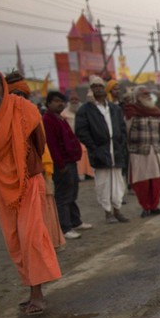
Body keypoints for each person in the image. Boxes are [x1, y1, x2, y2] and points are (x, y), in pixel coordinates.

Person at [0, 68, 61, 315]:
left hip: (28, 180)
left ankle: (38, 295)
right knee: (14, 240)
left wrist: (24, 164)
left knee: (31, 236)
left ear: (3, 87)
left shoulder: (23, 109)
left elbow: (39, 143)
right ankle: (31, 289)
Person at [75, 76, 129, 223]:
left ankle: (118, 210)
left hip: (116, 151)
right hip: (100, 152)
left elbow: (122, 129)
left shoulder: (114, 108)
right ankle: (108, 212)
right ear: (91, 90)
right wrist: (94, 147)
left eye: (100, 86)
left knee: (118, 182)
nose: (98, 88)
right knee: (103, 184)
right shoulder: (85, 110)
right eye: (95, 86)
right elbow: (81, 132)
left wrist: (120, 143)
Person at [42, 91, 91, 239]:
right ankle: (65, 227)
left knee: (72, 192)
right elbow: (51, 146)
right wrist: (60, 164)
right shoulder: (48, 120)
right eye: (56, 101)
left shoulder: (60, 118)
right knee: (63, 196)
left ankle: (75, 221)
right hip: (61, 164)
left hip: (70, 161)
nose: (60, 104)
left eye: (62, 101)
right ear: (49, 103)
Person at [124, 86, 160, 216]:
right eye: (144, 94)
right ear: (137, 97)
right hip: (138, 152)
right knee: (141, 182)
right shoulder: (131, 111)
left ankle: (154, 206)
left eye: (149, 93)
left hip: (154, 150)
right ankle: (145, 207)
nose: (148, 96)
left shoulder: (155, 111)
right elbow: (126, 131)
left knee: (157, 180)